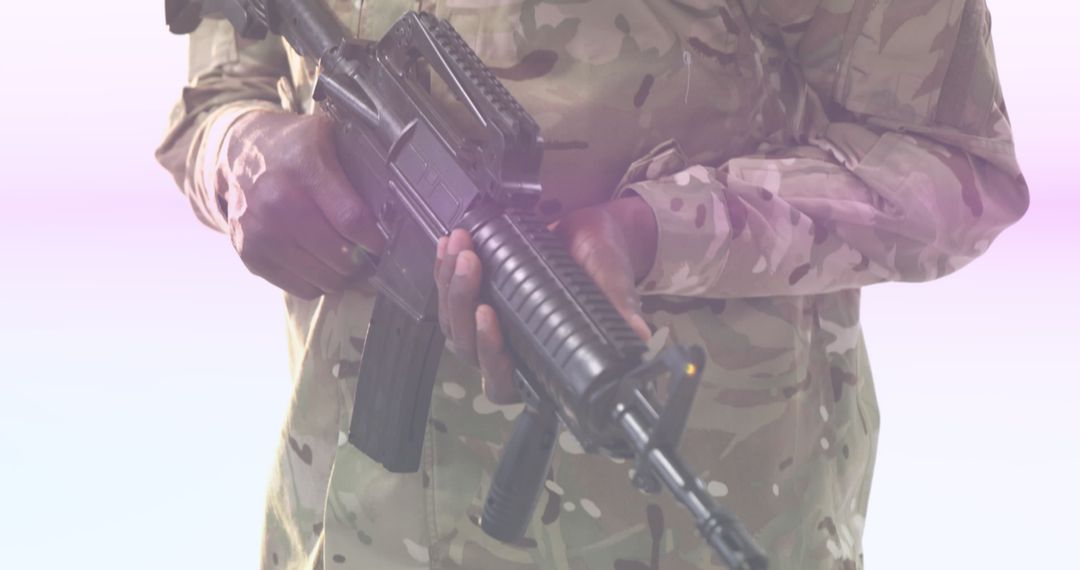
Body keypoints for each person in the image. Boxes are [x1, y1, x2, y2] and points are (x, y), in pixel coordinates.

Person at [156, 1, 1028, 568]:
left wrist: (654, 231)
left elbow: (953, 171)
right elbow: (217, 93)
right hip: (350, 523)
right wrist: (240, 155)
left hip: (684, 527)